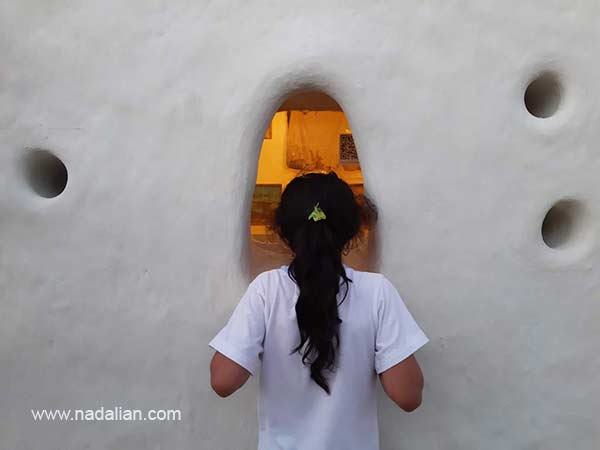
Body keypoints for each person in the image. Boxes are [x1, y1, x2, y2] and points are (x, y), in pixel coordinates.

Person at [208, 171, 429, 450]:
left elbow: (222, 381)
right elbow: (408, 396)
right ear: (352, 229)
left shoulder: (266, 291)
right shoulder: (377, 293)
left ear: (282, 231)